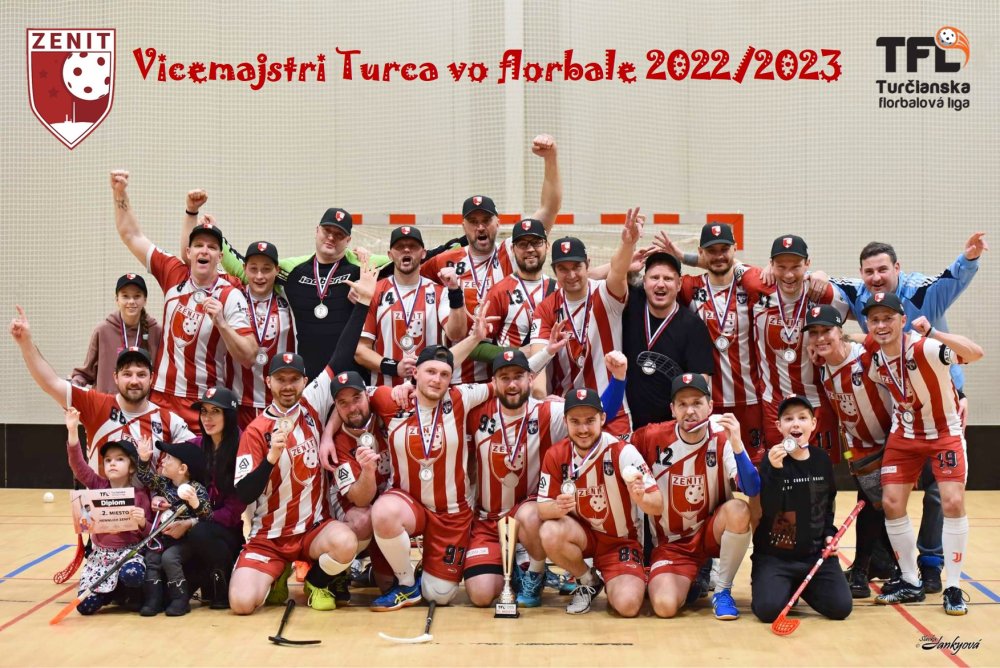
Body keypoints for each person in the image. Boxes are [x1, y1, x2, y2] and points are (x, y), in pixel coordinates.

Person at [830, 235, 987, 592]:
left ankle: (934, 567)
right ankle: (899, 572)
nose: (876, 277)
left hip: (943, 410)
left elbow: (970, 345)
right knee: (886, 496)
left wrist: (968, 258)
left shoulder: (923, 314)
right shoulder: (871, 339)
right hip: (903, 419)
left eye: (883, 269)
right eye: (869, 271)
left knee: (942, 494)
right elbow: (828, 292)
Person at [463, 349, 628, 609]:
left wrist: (618, 378)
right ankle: (514, 569)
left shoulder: (549, 413)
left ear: (531, 378)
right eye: (504, 378)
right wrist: (405, 389)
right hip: (488, 521)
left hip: (530, 512)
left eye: (518, 376)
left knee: (530, 514)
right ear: (493, 382)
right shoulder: (476, 413)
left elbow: (599, 411)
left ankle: (535, 574)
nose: (512, 384)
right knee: (481, 595)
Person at [862, 293, 983, 615]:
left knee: (952, 502)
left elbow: (975, 353)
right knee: (891, 503)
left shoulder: (926, 347)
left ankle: (953, 586)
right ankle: (910, 581)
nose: (881, 325)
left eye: (888, 318)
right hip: (905, 435)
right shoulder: (875, 359)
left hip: (944, 433)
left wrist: (935, 332)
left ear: (903, 320)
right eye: (875, 320)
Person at [110, 171, 256, 429]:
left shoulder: (230, 294)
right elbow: (131, 235)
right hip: (162, 399)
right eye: (198, 245)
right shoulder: (173, 273)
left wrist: (222, 324)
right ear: (188, 252)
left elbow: (249, 355)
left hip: (205, 406)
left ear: (220, 257)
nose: (204, 250)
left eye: (212, 247)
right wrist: (119, 193)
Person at [364, 328, 497, 612]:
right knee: (383, 512)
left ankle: (428, 570)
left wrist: (547, 393)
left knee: (439, 595)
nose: (437, 379)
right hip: (409, 504)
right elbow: (349, 398)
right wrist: (329, 437)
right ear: (415, 373)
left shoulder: (461, 397)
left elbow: (509, 383)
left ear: (451, 378)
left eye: (444, 374)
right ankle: (406, 585)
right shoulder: (391, 399)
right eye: (430, 372)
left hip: (451, 514)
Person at [420, 134, 562, 382]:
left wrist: (550, 158)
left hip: (503, 376)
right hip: (456, 375)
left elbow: (549, 208)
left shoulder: (512, 250)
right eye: (473, 222)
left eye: (486, 220)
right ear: (463, 226)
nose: (480, 227)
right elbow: (407, 271)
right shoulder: (444, 261)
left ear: (498, 222)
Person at [229, 352, 359, 614]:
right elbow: (244, 493)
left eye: (294, 379)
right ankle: (278, 572)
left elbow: (341, 354)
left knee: (346, 543)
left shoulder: (311, 405)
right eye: (281, 379)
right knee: (242, 604)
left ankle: (315, 581)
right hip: (270, 537)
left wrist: (364, 312)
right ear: (268, 382)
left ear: (304, 382)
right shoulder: (256, 430)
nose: (287, 386)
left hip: (312, 529)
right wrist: (270, 459)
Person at [630, 374, 758, 620]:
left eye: (697, 403)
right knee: (664, 607)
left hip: (711, 532)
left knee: (739, 510)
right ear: (672, 409)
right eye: (683, 404)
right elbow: (616, 451)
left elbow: (751, 488)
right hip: (672, 544)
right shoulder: (650, 437)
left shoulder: (722, 435)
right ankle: (696, 573)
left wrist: (738, 443)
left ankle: (723, 591)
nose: (690, 411)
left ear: (710, 406)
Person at [10, 307, 193, 474]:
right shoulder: (95, 404)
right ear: (115, 377)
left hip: (145, 501)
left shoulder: (168, 420)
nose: (134, 381)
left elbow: (197, 454)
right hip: (99, 500)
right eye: (127, 374)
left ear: (151, 378)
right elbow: (50, 383)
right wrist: (26, 343)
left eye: (141, 375)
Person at [537, 387, 661, 616]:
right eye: (575, 422)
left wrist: (641, 497)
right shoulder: (555, 455)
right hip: (584, 536)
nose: (583, 429)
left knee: (628, 606)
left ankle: (623, 577)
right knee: (549, 532)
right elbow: (542, 509)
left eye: (590, 421)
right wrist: (557, 507)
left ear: (602, 419)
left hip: (620, 542)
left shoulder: (624, 452)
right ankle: (588, 580)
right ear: (565, 422)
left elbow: (658, 503)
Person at [804, 305, 893, 598]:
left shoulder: (866, 356)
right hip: (859, 445)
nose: (820, 338)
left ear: (840, 331)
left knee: (875, 504)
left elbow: (891, 342)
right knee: (872, 504)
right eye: (814, 333)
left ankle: (864, 570)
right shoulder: (822, 366)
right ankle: (881, 564)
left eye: (826, 331)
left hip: (890, 442)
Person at [529, 207, 643, 435]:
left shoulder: (606, 294)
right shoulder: (546, 308)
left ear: (588, 264)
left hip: (613, 410)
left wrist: (628, 244)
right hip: (568, 413)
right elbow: (537, 363)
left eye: (576, 267)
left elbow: (618, 270)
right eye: (563, 269)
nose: (571, 275)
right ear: (554, 271)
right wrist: (541, 398)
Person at [750, 395, 852, 624]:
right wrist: (776, 472)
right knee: (768, 611)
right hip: (776, 557)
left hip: (815, 556)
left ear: (813, 423)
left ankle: (797, 586)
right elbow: (771, 510)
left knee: (841, 607)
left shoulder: (821, 460)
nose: (795, 424)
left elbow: (827, 504)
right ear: (779, 426)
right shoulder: (770, 460)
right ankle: (780, 582)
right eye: (788, 419)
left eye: (802, 418)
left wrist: (829, 534)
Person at [742, 235, 847, 454]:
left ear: (807, 264)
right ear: (771, 264)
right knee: (780, 466)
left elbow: (857, 315)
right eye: (781, 267)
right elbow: (723, 261)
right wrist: (682, 256)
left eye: (796, 267)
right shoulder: (757, 284)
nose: (789, 275)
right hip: (774, 404)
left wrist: (824, 276)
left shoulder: (823, 292)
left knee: (820, 469)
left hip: (817, 402)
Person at [356, 225, 468, 386]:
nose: (406, 250)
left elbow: (457, 334)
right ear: (390, 254)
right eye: (399, 247)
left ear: (423, 253)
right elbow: (360, 351)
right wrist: (395, 368)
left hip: (428, 390)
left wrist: (455, 291)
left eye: (413, 246)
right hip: (385, 392)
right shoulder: (374, 292)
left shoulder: (440, 292)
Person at [64, 410, 151, 616]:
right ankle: (112, 593)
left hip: (130, 554)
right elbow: (78, 466)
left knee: (133, 574)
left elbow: (151, 532)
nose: (112, 463)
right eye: (108, 460)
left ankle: (128, 591)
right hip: (101, 556)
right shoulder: (97, 485)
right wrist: (73, 431)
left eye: (120, 459)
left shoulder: (140, 495)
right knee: (84, 607)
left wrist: (142, 523)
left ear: (131, 467)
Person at [622, 251, 714, 429]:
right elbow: (590, 279)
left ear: (679, 285)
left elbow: (699, 383)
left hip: (671, 428)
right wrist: (625, 266)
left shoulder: (693, 326)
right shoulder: (629, 305)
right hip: (627, 424)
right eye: (654, 277)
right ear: (644, 282)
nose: (660, 284)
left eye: (668, 279)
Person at [175, 387, 247, 609]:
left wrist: (193, 521)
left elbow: (232, 513)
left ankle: (222, 578)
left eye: (215, 411)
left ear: (229, 415)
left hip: (227, 534)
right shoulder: (196, 446)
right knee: (171, 596)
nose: (207, 418)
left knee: (200, 532)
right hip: (199, 530)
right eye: (204, 411)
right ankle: (208, 577)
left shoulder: (243, 447)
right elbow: (169, 458)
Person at [136, 438, 212, 616]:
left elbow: (208, 516)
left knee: (169, 558)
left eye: (169, 458)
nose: (163, 460)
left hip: (185, 541)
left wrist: (195, 503)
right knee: (152, 557)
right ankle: (153, 599)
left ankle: (180, 599)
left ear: (182, 469)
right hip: (164, 538)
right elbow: (145, 478)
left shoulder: (196, 489)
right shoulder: (164, 483)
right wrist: (144, 459)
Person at [229, 241, 297, 429]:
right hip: (239, 403)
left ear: (277, 270)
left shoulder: (289, 301)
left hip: (280, 403)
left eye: (266, 269)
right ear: (244, 269)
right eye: (253, 269)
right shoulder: (233, 298)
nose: (259, 276)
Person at [71, 273, 162, 394]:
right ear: (117, 300)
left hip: (142, 404)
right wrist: (73, 386)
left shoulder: (157, 332)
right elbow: (86, 373)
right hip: (107, 404)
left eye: (137, 296)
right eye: (125, 296)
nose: (131, 301)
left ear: (145, 300)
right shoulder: (102, 330)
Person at [480, 218, 557, 348]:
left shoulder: (558, 290)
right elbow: (479, 346)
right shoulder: (499, 292)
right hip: (512, 362)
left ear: (547, 246)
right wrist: (517, 354)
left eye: (536, 243)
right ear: (512, 249)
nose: (530, 249)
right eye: (522, 244)